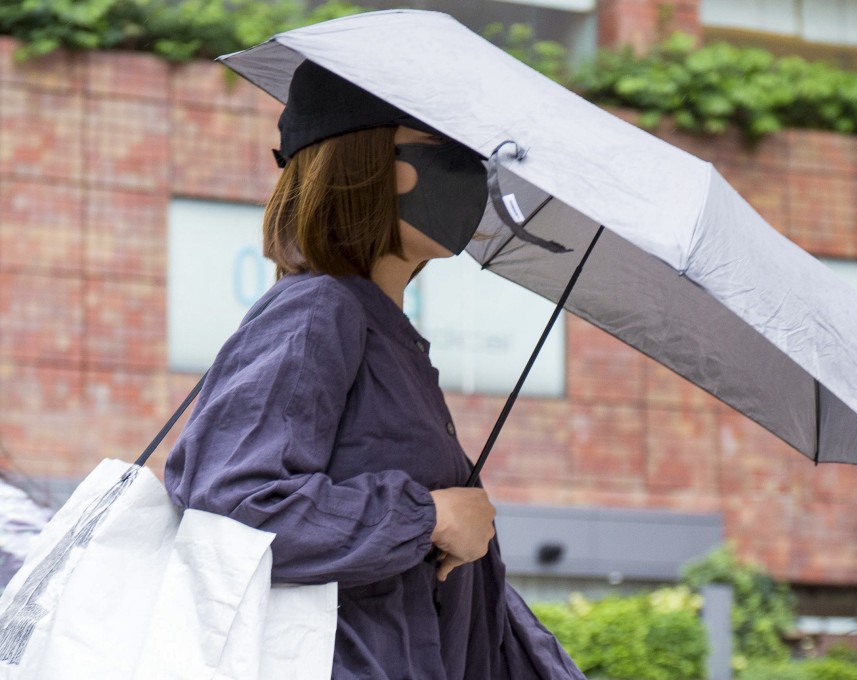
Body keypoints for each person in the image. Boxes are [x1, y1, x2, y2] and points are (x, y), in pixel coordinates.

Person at [163, 60, 584, 679]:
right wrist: (429, 517)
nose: (475, 177)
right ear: (361, 160)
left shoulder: (386, 335)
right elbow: (233, 506)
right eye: (449, 152)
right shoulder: (317, 309)